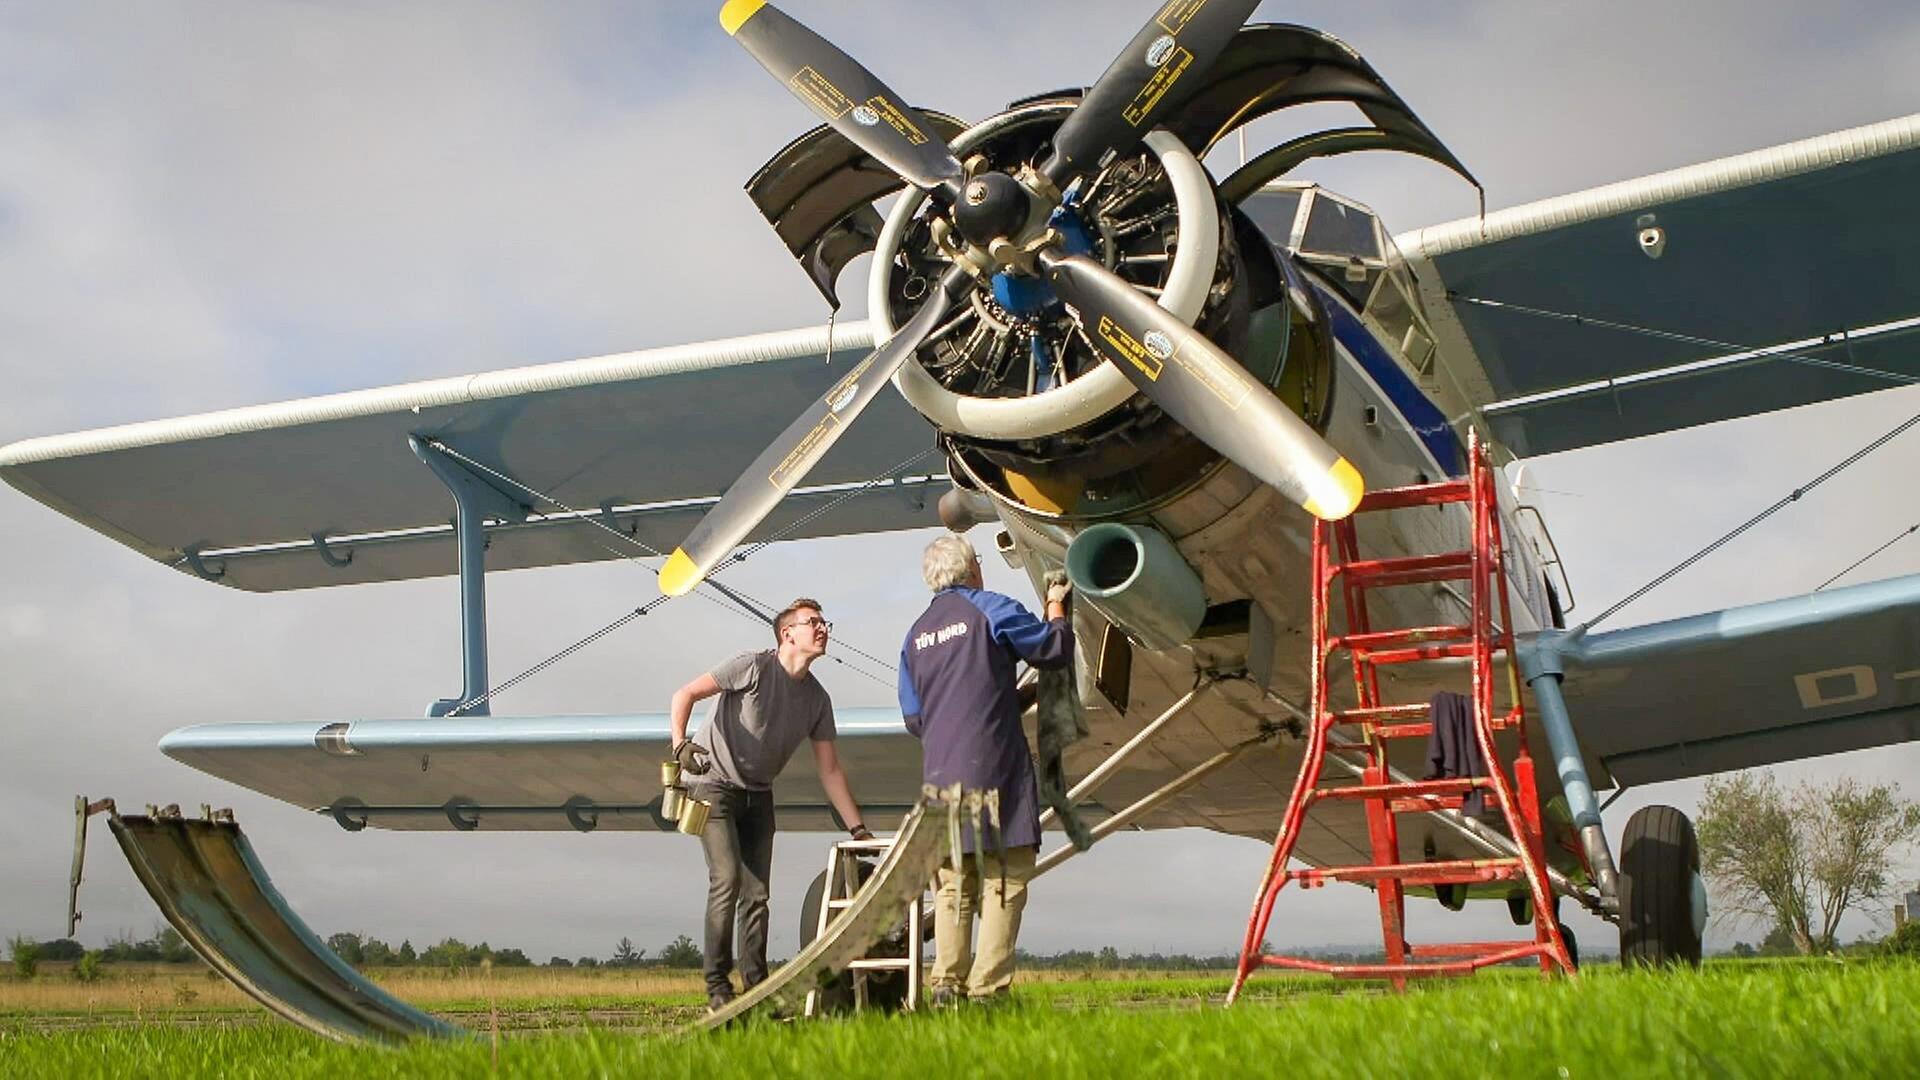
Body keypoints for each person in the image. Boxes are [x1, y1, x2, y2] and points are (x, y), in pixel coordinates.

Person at [669, 597, 871, 1012]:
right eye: (813, 622)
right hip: (712, 784)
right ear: (787, 633)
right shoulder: (751, 666)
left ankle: (757, 987)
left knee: (757, 894)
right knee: (726, 879)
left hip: (758, 793)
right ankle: (717, 988)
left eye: (824, 622)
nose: (823, 629)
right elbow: (685, 693)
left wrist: (858, 829)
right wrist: (680, 744)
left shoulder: (817, 700)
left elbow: (830, 771)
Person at [897, 536, 1072, 1005]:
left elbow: (917, 718)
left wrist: (1003, 700)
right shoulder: (991, 608)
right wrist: (1056, 604)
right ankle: (987, 990)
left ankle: (946, 986)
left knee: (954, 887)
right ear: (972, 570)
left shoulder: (914, 637)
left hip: (940, 779)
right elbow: (1052, 649)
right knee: (1005, 880)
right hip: (996, 772)